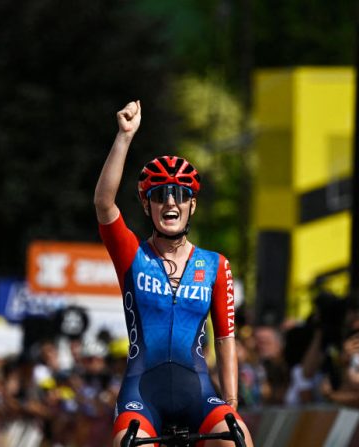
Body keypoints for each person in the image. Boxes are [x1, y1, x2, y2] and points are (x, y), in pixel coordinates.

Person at [94, 101, 254, 446]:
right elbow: (104, 204)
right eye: (160, 195)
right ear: (146, 204)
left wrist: (232, 403)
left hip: (197, 392)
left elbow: (226, 338)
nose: (170, 202)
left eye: (180, 194)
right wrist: (124, 137)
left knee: (238, 439)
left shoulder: (215, 265)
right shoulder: (131, 254)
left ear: (192, 204)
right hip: (142, 394)